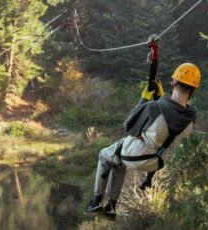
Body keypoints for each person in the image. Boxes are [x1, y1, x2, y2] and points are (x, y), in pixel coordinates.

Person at [85, 36, 200, 220]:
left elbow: (129, 124)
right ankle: (111, 208)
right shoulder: (191, 120)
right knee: (118, 162)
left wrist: (145, 98)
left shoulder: (154, 108)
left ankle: (97, 202)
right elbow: (172, 114)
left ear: (173, 83)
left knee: (105, 155)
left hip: (136, 155)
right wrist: (161, 97)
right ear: (194, 90)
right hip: (156, 162)